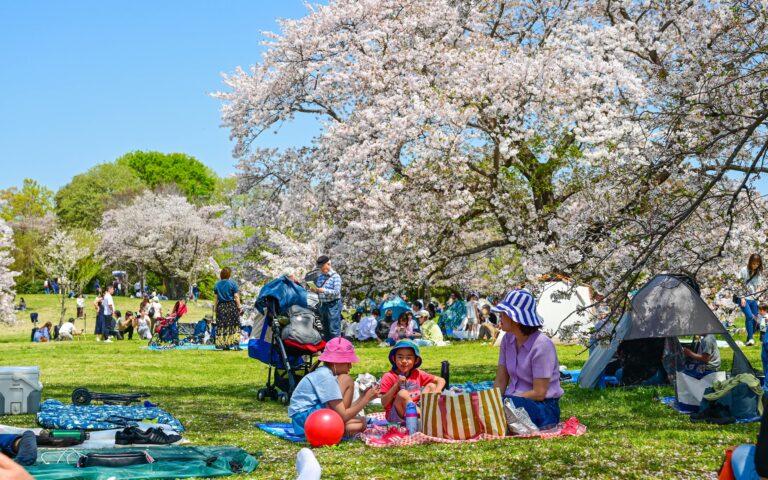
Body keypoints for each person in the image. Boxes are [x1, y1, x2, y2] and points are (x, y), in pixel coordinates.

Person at [492, 289, 564, 428]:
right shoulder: (507, 339)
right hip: (512, 401)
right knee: (482, 402)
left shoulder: (542, 345)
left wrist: (504, 401)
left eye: (503, 313)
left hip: (542, 407)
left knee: (499, 408)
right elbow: (501, 381)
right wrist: (491, 401)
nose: (500, 317)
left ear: (515, 318)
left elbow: (539, 393)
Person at [288, 337, 379, 437]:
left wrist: (363, 396)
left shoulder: (325, 373)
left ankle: (335, 430)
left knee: (361, 422)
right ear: (335, 362)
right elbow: (343, 415)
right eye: (348, 362)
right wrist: (366, 399)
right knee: (346, 379)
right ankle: (334, 430)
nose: (350, 367)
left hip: (302, 422)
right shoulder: (326, 378)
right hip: (306, 419)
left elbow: (343, 411)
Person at [379, 340, 445, 425]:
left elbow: (441, 380)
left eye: (408, 358)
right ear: (394, 359)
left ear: (416, 360)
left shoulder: (417, 373)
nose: (404, 361)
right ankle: (427, 417)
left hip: (416, 408)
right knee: (403, 393)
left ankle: (426, 415)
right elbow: (384, 402)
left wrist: (438, 390)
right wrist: (396, 384)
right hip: (397, 416)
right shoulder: (388, 376)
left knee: (431, 386)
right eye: (400, 357)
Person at [308, 256, 342, 341]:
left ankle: (336, 347)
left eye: (322, 267)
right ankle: (327, 346)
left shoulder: (336, 277)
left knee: (334, 328)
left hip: (333, 304)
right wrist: (314, 289)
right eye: (320, 267)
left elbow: (336, 292)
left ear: (328, 264)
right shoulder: (320, 277)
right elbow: (318, 289)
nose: (321, 269)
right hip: (323, 305)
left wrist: (324, 290)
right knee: (325, 329)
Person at [738, 253, 763, 346]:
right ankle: (751, 338)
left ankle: (749, 339)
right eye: (754, 263)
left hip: (753, 298)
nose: (755, 265)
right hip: (743, 298)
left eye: (757, 263)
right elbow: (738, 284)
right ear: (750, 262)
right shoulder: (744, 270)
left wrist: (758, 296)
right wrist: (742, 297)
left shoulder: (758, 273)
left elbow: (758, 287)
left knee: (755, 318)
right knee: (749, 316)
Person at [214, 267, 242, 350]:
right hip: (231, 306)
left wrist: (215, 308)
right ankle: (235, 344)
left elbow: (215, 298)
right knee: (234, 325)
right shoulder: (233, 283)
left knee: (223, 325)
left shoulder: (217, 284)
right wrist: (239, 306)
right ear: (229, 274)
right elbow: (236, 296)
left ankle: (224, 345)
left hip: (221, 306)